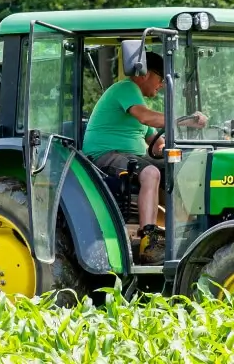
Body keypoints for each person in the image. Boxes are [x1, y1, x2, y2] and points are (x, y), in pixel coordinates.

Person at [80, 51, 205, 263]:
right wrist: (184, 120)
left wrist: (165, 150)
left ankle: (187, 231)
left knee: (176, 171)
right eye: (160, 78)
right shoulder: (126, 88)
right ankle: (149, 240)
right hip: (104, 155)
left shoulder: (137, 103)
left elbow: (154, 141)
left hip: (131, 156)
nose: (162, 84)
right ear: (144, 74)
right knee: (150, 172)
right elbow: (146, 118)